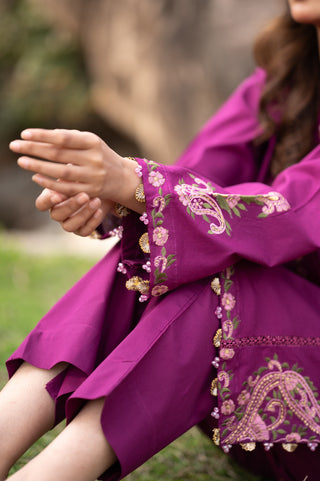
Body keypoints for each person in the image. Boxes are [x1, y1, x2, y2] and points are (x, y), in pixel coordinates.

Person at [3, 1, 320, 480]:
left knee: (223, 280)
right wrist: (114, 202)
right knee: (164, 248)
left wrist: (133, 183)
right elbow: (200, 177)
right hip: (247, 394)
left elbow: (291, 214)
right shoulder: (287, 71)